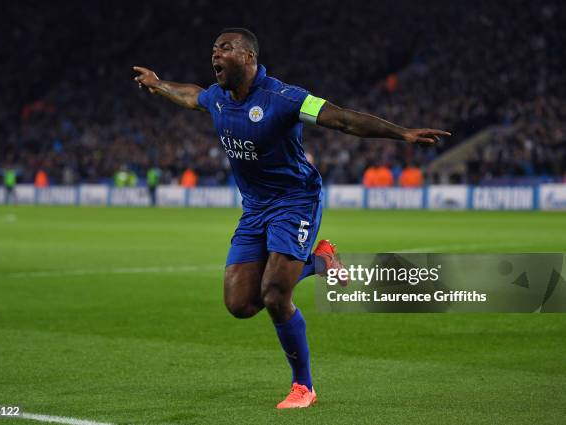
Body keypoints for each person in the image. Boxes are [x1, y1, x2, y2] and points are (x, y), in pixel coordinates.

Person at [133, 27, 450, 408]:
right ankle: (321, 261)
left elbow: (343, 119)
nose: (216, 54)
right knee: (240, 305)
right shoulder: (218, 98)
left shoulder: (284, 98)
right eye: (214, 48)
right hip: (254, 209)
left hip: (295, 200)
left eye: (226, 48)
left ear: (249, 58)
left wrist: (402, 134)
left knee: (274, 295)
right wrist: (157, 84)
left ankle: (304, 387)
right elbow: (191, 96)